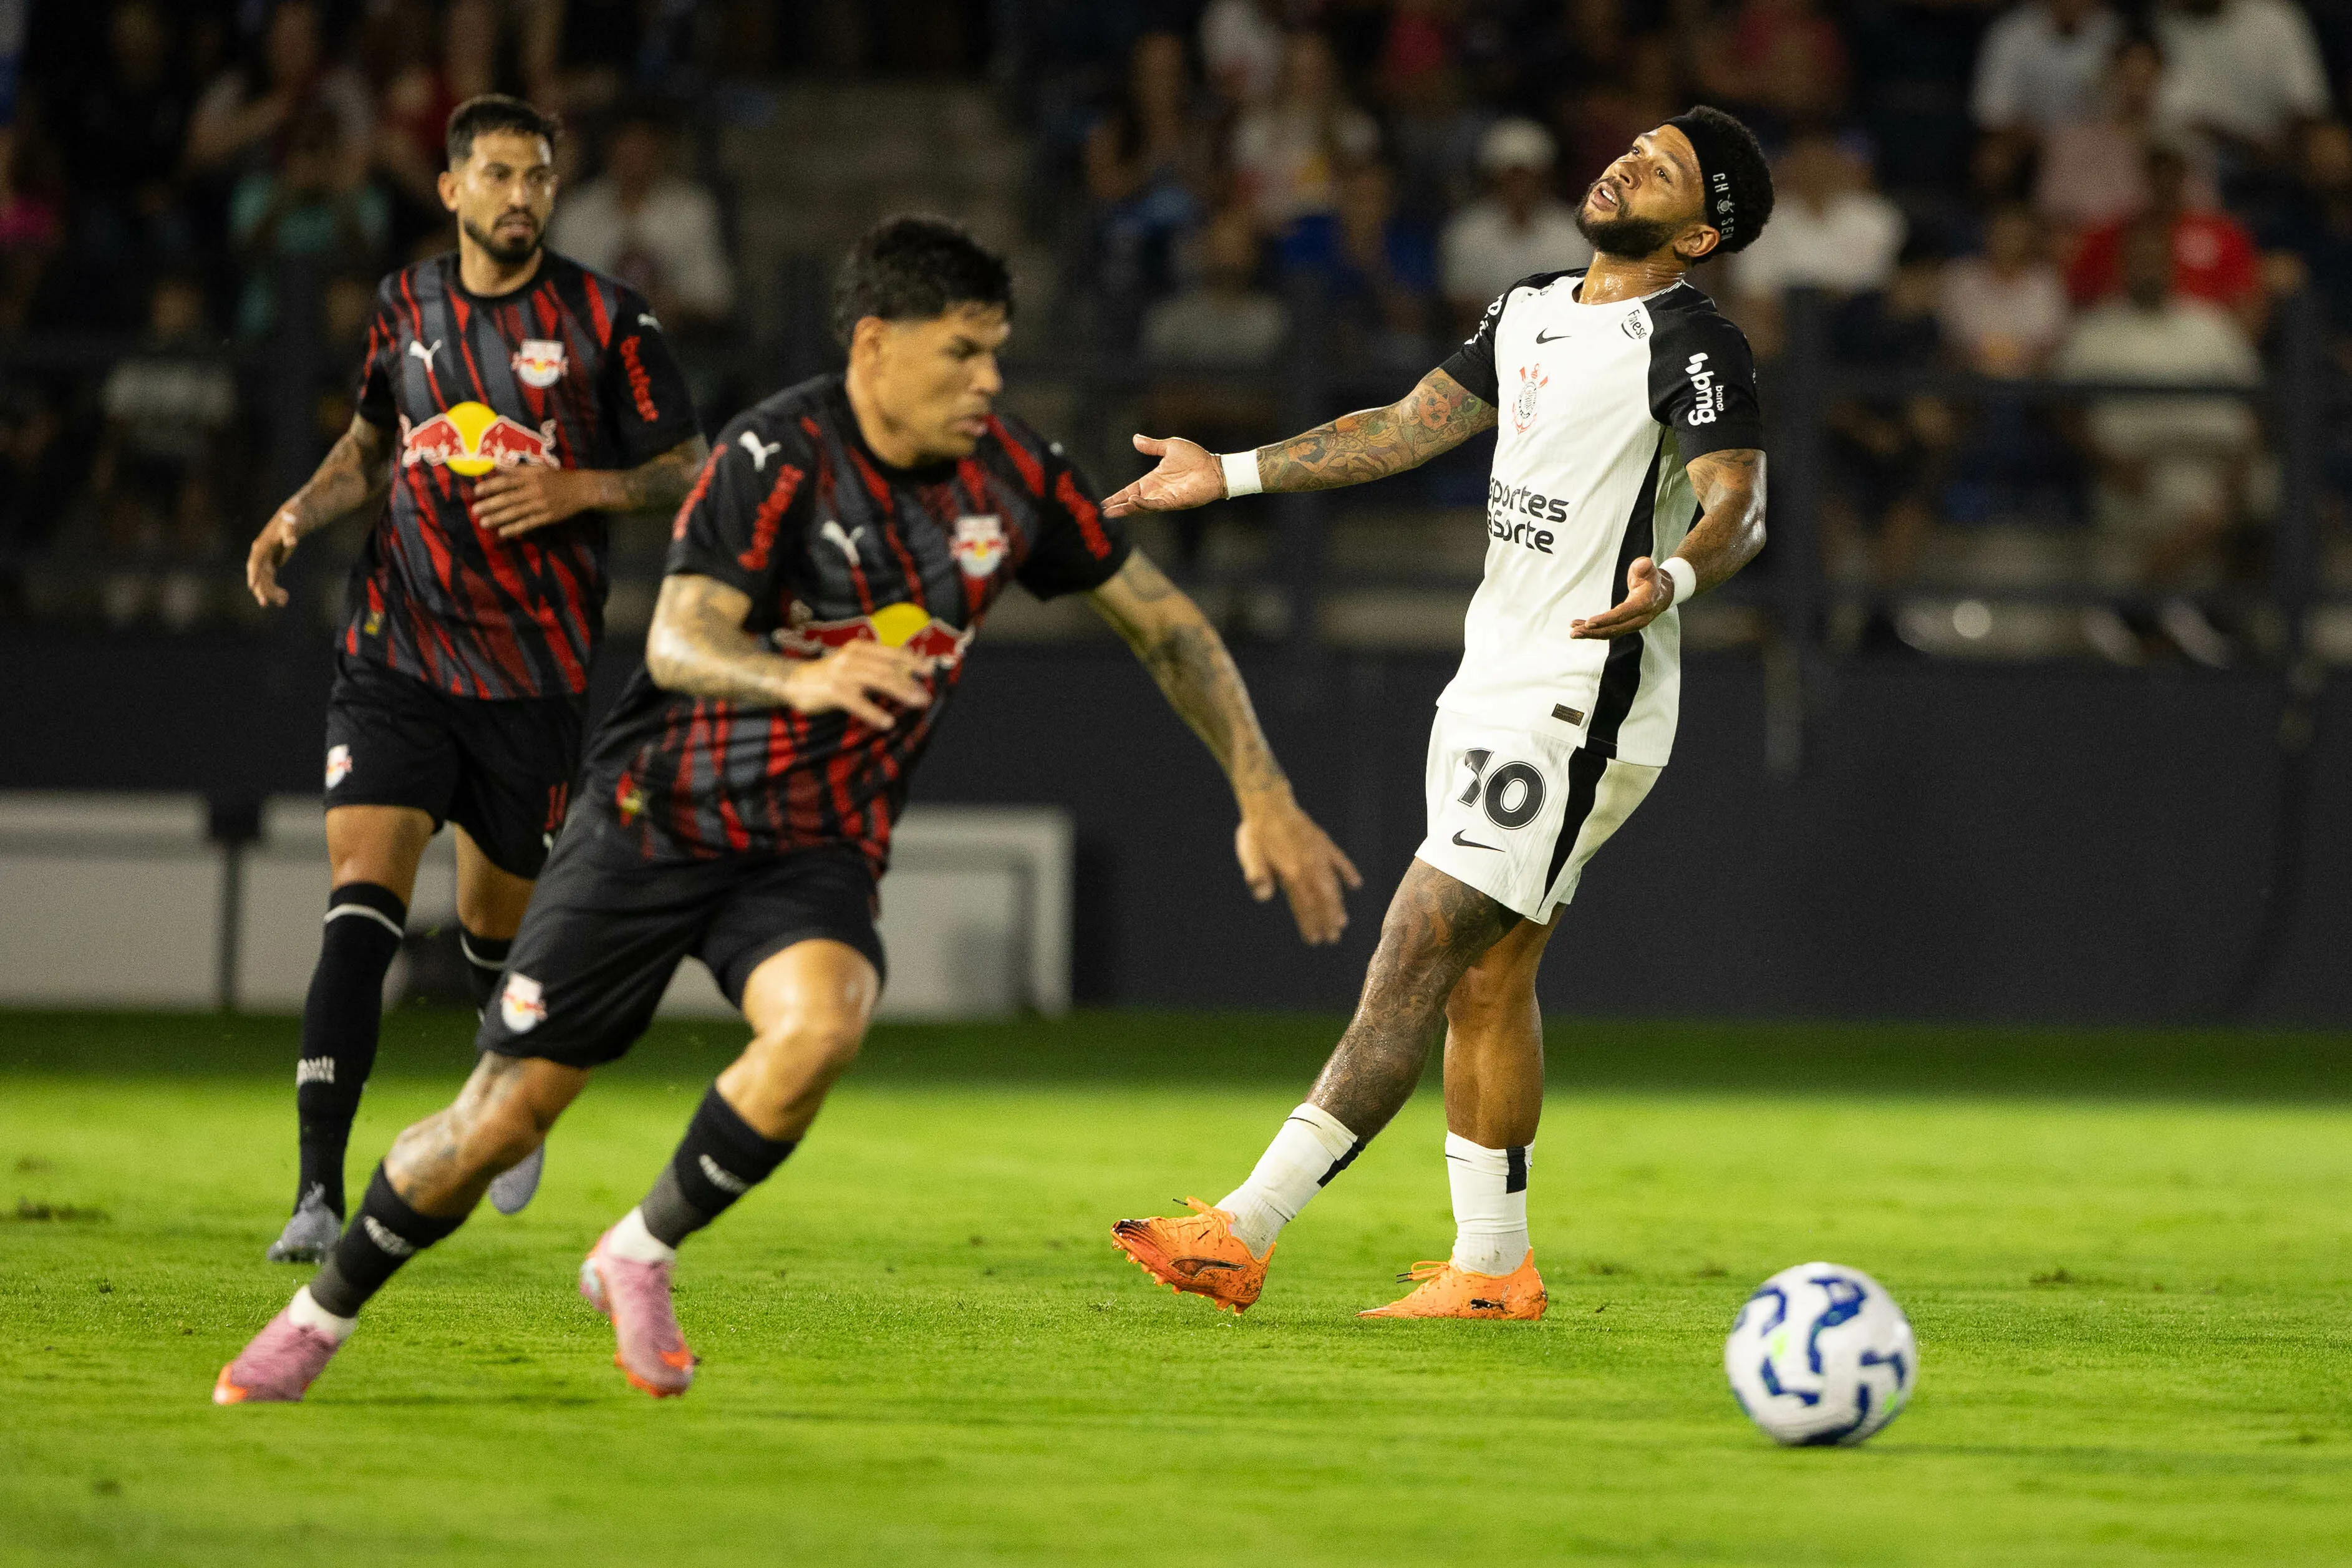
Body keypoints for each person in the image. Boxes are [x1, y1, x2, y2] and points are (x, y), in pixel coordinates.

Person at [213, 214, 1363, 1403]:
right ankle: (318, 1313)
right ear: (874, 345)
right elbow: (680, 633)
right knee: (499, 1121)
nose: (989, 381)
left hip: (812, 842)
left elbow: (1164, 623)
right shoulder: (776, 456)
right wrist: (800, 674)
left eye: (996, 353)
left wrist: (1262, 788)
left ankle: (635, 1249)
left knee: (825, 1019)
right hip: (656, 816)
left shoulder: (1016, 477)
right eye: (961, 353)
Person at [1105, 107, 1774, 1320]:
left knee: (1418, 940)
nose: (1625, 159)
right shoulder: (1524, 307)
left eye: (1662, 169)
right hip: (1488, 678)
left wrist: (1673, 574)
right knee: (1488, 977)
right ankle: (1490, 1270)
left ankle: (1241, 1228)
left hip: (1582, 696)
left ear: (1699, 234)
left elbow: (1740, 503)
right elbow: (1406, 427)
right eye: (1632, 145)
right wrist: (1232, 471)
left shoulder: (1693, 341)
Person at [239, 95, 710, 1266]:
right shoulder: (403, 306)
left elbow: (686, 471)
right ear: (450, 189)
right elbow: (369, 448)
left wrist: (580, 489)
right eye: (496, 174)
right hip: (395, 656)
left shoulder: (607, 320)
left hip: (530, 679)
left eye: (538, 176)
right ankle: (313, 1188)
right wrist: (295, 516)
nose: (519, 195)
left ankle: (505, 1093)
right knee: (361, 905)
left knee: (497, 940)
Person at [2055, 218, 2260, 666]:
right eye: (2138, 260)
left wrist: (2237, 473)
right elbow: (2061, 409)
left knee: (2269, 500)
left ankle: (2131, 608)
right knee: (2201, 512)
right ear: (2123, 265)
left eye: (2156, 260)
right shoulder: (2096, 329)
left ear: (2171, 264)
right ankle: (2176, 618)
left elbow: (2254, 407)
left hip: (2214, 465)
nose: (2148, 269)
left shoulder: (2209, 325)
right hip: (2131, 471)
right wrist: (2107, 462)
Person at [547, 105, 734, 333]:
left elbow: (715, 297)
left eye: (645, 144)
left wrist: (674, 306)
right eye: (626, 144)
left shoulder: (691, 209)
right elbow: (556, 296)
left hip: (675, 345)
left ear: (663, 149)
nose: (635, 155)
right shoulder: (576, 211)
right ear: (608, 148)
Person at [1441, 118, 1593, 336]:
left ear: (1545, 177)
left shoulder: (1573, 232)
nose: (1519, 184)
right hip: (1483, 345)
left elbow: (1577, 302)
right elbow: (1463, 306)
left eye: (1527, 175)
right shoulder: (1466, 231)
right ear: (1493, 178)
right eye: (1510, 175)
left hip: (1556, 341)